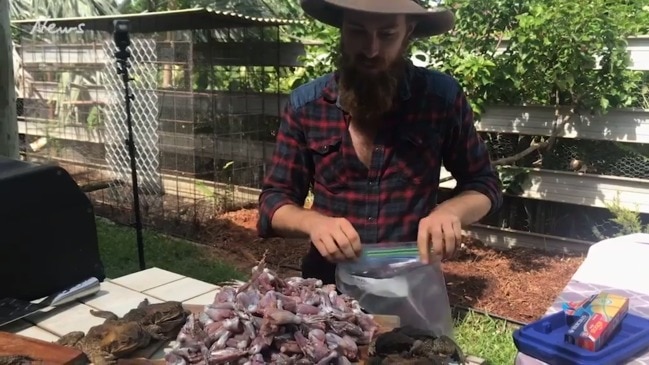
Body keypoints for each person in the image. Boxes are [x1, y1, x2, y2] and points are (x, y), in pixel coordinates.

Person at [257, 0, 503, 284]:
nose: (371, 50)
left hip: (410, 283)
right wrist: (314, 223)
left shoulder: (440, 99)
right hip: (327, 287)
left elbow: (484, 184)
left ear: (408, 32)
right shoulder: (305, 106)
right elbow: (273, 202)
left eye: (387, 35)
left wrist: (451, 211)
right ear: (342, 29)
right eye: (357, 32)